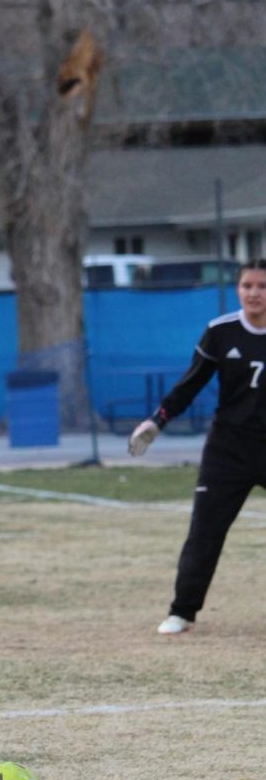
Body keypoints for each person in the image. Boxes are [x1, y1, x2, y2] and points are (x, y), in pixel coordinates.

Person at [128, 257, 266, 635]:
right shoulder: (220, 332)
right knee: (205, 532)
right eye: (247, 286)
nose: (254, 293)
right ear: (238, 289)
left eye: (262, 286)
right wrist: (156, 421)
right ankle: (182, 612)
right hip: (228, 451)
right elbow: (190, 384)